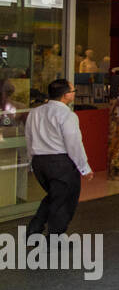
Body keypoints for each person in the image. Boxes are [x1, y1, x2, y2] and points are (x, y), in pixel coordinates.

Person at [25, 78, 92, 235]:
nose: (74, 94)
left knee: (56, 196)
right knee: (65, 201)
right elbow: (74, 143)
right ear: (66, 95)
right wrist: (84, 167)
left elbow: (29, 138)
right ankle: (54, 238)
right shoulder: (67, 115)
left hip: (39, 161)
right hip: (60, 163)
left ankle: (35, 228)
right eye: (73, 91)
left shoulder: (35, 112)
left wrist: (31, 162)